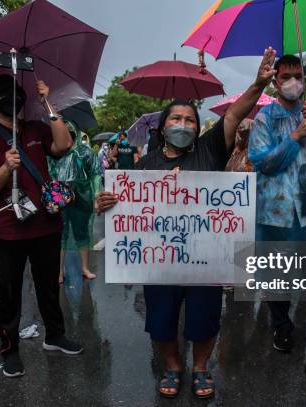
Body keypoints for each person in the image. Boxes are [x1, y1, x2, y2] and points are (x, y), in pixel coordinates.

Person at [95, 47, 278, 399]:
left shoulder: (210, 149)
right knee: (161, 321)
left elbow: (235, 114)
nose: (183, 124)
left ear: (199, 127)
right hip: (159, 263)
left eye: (190, 119)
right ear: (162, 127)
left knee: (205, 318)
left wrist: (257, 84)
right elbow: (128, 207)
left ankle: (200, 368)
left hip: (205, 261)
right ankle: (173, 366)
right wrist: (105, 203)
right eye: (175, 119)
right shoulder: (146, 164)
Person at [0, 74, 81, 378]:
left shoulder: (35, 128)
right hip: (6, 230)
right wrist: (6, 168)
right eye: (6, 96)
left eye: (17, 94)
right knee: (8, 293)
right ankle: (10, 350)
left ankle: (55, 336)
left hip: (45, 224)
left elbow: (63, 144)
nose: (13, 100)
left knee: (48, 287)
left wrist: (47, 101)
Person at [248, 54, 306, 353]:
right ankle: (282, 327)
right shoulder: (264, 118)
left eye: (298, 76)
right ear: (275, 82)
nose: (293, 82)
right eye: (285, 76)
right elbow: (263, 163)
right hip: (276, 210)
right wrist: (294, 137)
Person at [49, 123, 102, 282]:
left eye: (71, 132)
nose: (68, 135)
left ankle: (85, 268)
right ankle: (59, 271)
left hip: (82, 197)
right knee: (60, 234)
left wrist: (97, 196)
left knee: (82, 233)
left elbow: (96, 174)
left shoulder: (85, 152)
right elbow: (49, 172)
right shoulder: (54, 150)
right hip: (60, 195)